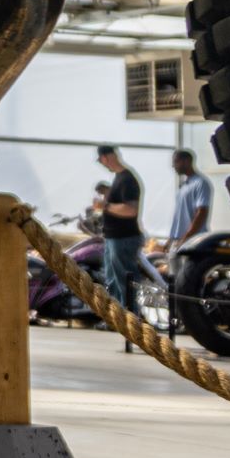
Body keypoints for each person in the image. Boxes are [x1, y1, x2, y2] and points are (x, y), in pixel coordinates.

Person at [96, 143, 147, 338]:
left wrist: (105, 206)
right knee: (113, 279)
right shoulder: (119, 178)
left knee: (123, 278)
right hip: (113, 237)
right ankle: (117, 318)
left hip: (124, 238)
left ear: (106, 157)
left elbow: (130, 210)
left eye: (102, 161)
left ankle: (129, 319)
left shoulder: (127, 179)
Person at [167, 148, 214, 249]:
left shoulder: (200, 183)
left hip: (195, 241)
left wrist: (186, 238)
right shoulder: (184, 185)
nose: (173, 166)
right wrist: (170, 240)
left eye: (176, 162)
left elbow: (201, 212)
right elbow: (178, 216)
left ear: (187, 161)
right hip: (181, 241)